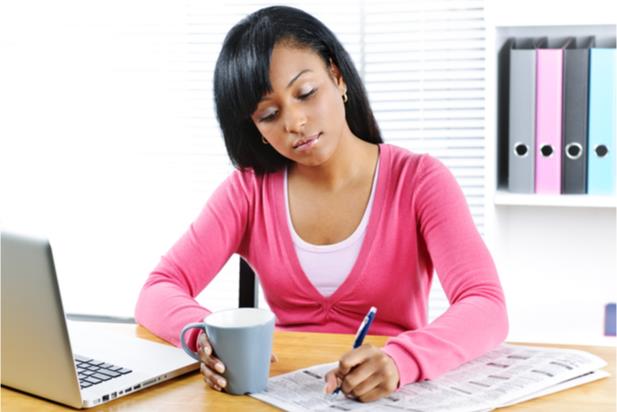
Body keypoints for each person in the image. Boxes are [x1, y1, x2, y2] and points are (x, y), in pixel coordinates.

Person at [135, 5, 508, 403]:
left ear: (337, 75)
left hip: (391, 397)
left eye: (306, 93)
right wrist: (202, 336)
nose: (294, 122)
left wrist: (401, 361)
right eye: (270, 114)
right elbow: (158, 289)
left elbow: (485, 305)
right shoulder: (250, 191)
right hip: (281, 397)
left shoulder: (418, 181)